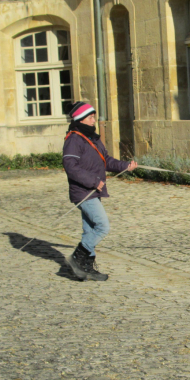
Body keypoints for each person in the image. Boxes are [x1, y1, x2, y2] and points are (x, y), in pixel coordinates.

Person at [62, 101, 137, 281]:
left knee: (90, 231)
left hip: (93, 191)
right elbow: (70, 166)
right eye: (90, 117)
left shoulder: (93, 138)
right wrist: (94, 181)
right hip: (83, 192)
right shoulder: (73, 139)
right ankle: (76, 258)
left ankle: (85, 268)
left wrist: (125, 166)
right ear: (81, 119)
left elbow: (106, 161)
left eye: (94, 116)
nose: (94, 120)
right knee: (103, 227)